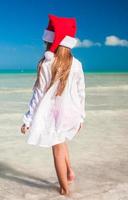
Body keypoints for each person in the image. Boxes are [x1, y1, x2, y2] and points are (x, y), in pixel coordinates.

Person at [20, 14, 86, 196]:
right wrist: (81, 116)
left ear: (50, 42)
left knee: (57, 150)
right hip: (70, 112)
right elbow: (81, 92)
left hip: (52, 115)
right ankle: (70, 172)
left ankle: (64, 190)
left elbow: (38, 94)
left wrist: (28, 119)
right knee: (62, 143)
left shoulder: (46, 64)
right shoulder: (77, 64)